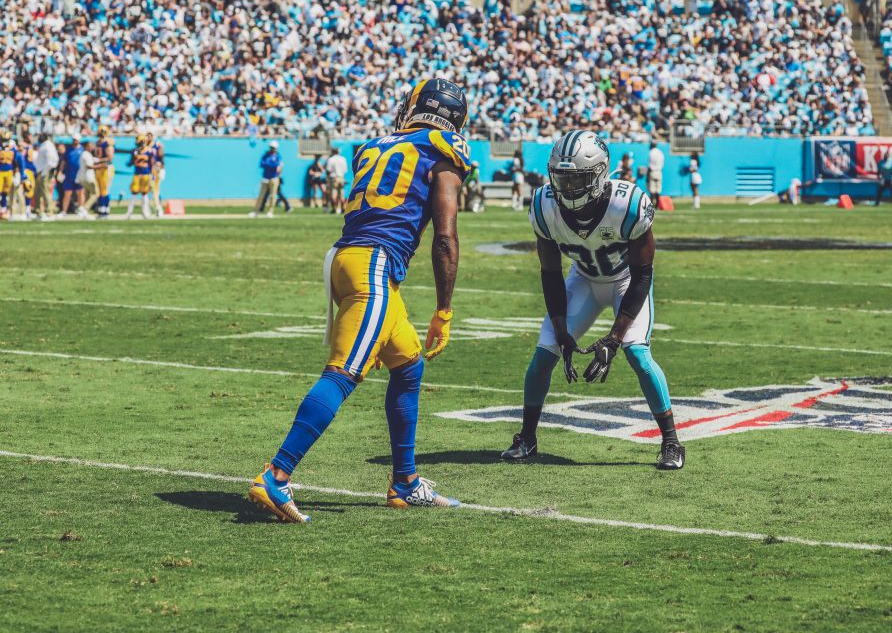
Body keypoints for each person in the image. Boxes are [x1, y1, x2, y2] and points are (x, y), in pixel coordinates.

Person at [248, 77, 472, 523]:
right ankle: (276, 474)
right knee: (343, 374)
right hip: (374, 265)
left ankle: (405, 483)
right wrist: (444, 309)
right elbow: (444, 235)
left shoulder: (376, 145)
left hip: (349, 259)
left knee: (408, 364)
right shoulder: (444, 148)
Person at [501, 129, 684, 471]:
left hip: (625, 280)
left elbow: (643, 273)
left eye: (577, 179)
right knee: (544, 353)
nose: (567, 189)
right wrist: (561, 329)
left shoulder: (627, 205)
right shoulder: (544, 206)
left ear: (600, 174)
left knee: (637, 353)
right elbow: (551, 273)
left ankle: (671, 441)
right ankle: (527, 437)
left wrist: (614, 339)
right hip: (582, 279)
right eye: (562, 179)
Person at [0, 132, 18, 221]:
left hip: (9, 172)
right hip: (0, 172)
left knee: (5, 193)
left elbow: (16, 161)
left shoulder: (13, 148)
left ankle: (3, 212)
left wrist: (17, 173)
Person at [125, 135, 154, 219]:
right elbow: (130, 163)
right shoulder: (135, 151)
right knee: (134, 193)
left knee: (144, 194)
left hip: (145, 174)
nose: (136, 142)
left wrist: (152, 174)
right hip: (137, 174)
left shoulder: (149, 150)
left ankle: (145, 212)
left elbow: (152, 163)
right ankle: (129, 213)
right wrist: (133, 159)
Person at [250, 141, 282, 218]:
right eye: (271, 147)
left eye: (273, 148)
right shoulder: (265, 155)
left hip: (274, 177)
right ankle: (256, 211)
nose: (272, 149)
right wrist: (271, 165)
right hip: (265, 177)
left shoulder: (278, 156)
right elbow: (262, 164)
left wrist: (270, 165)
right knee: (261, 195)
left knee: (273, 195)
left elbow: (277, 165)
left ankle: (271, 211)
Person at [56, 142, 84, 217]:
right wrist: (60, 172)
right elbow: (63, 162)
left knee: (80, 193)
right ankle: (64, 211)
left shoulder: (82, 149)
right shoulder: (68, 150)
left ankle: (81, 209)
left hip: (78, 174)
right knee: (67, 193)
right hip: (69, 175)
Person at [92, 126, 115, 217]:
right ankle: (101, 208)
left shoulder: (108, 143)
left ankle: (104, 208)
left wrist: (99, 160)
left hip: (106, 167)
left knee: (105, 189)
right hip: (99, 168)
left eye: (103, 132)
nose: (101, 134)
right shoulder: (97, 143)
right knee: (100, 189)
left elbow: (110, 157)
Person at [35, 134, 59, 219]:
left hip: (45, 172)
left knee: (46, 192)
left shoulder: (48, 146)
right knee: (38, 192)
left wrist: (44, 172)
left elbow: (51, 161)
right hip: (42, 172)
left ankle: (49, 211)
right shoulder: (45, 145)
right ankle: (38, 211)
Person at [324, 146, 348, 213]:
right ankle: (343, 208)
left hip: (334, 177)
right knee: (342, 194)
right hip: (341, 177)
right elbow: (345, 170)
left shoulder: (331, 159)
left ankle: (334, 208)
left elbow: (328, 171)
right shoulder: (343, 159)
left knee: (333, 194)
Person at [148, 134, 166, 217]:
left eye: (150, 135)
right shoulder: (146, 146)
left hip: (155, 170)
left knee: (155, 190)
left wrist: (161, 167)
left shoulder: (157, 145)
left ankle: (158, 208)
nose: (148, 137)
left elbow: (161, 156)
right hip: (148, 170)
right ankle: (152, 208)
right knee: (150, 191)